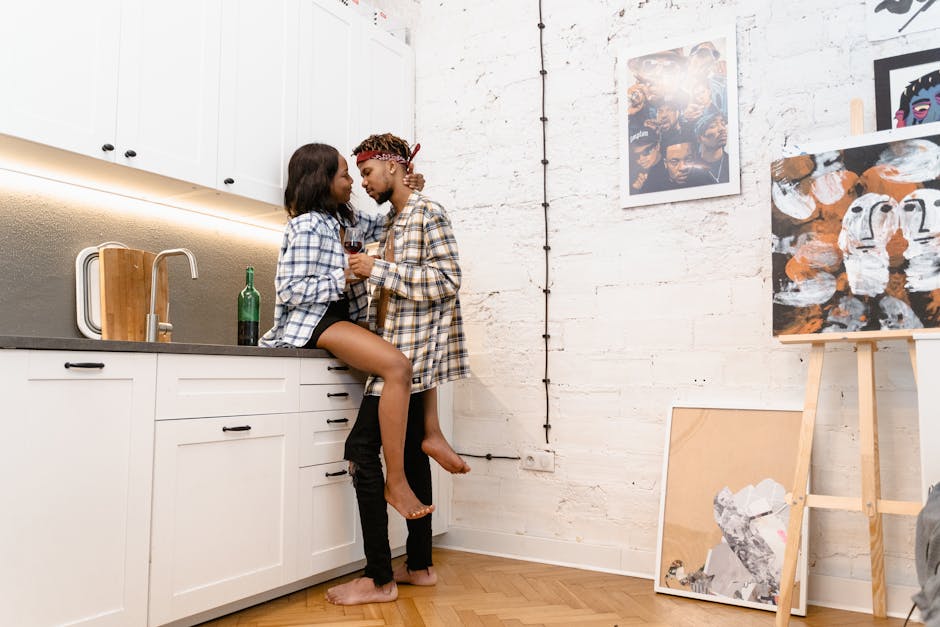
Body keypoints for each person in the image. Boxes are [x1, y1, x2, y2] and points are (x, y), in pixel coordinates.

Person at [326, 133, 470, 605]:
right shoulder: (393, 221)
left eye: (366, 172)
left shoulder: (429, 212)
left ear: (392, 165)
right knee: (410, 452)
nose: (364, 182)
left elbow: (449, 280)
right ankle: (421, 566)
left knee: (361, 454)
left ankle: (379, 578)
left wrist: (378, 271)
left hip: (407, 355)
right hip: (398, 351)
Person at [258, 142, 436, 521]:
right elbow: (290, 290)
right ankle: (397, 482)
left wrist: (409, 187)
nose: (352, 180)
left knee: (408, 365)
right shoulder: (305, 225)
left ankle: (417, 452)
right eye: (344, 173)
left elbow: (390, 221)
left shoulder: (348, 220)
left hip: (344, 319)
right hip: (316, 321)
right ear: (322, 179)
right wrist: (345, 276)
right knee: (397, 367)